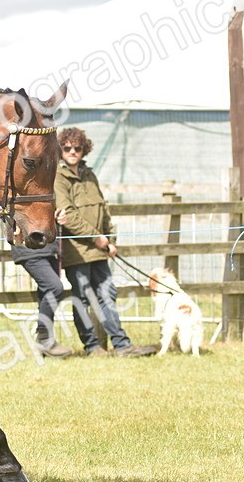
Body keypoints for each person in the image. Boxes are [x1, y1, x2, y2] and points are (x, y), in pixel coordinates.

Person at [55, 127, 157, 358]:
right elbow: (68, 214)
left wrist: (110, 239)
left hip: (100, 250)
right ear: (60, 150)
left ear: (84, 149)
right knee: (82, 298)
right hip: (77, 252)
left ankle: (122, 345)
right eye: (67, 148)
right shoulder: (58, 178)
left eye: (77, 148)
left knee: (107, 294)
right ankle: (92, 347)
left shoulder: (90, 175)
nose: (72, 152)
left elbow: (104, 210)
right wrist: (96, 237)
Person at [11, 214, 74, 358]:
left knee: (46, 293)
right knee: (55, 287)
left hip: (49, 247)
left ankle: (45, 344)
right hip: (28, 248)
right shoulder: (18, 190)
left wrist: (59, 214)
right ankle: (44, 338)